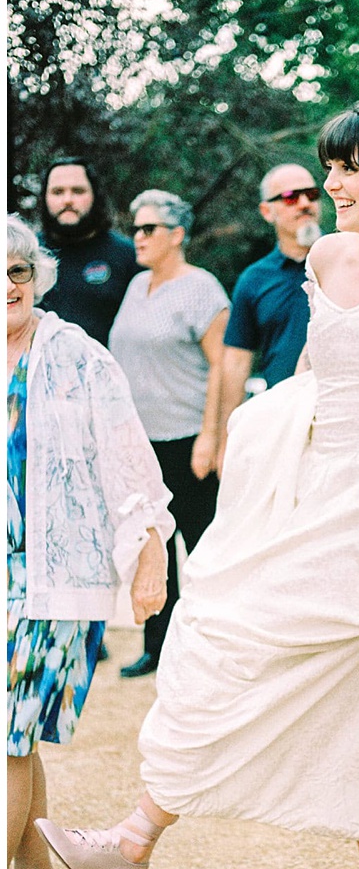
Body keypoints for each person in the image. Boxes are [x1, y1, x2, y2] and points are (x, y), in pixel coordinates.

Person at [37, 98, 359, 869]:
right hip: (309, 484)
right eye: (329, 167)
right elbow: (310, 368)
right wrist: (254, 450)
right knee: (225, 630)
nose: (333, 185)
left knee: (340, 682)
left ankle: (135, 837)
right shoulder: (330, 255)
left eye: (348, 169)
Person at [7, 216, 171, 869]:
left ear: (36, 276)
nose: (6, 284)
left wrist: (149, 555)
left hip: (56, 577)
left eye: (17, 270)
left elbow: (129, 456)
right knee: (12, 733)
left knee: (6, 734)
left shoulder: (75, 353)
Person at [104, 191, 229, 679]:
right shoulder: (137, 287)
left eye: (149, 228)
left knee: (199, 549)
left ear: (177, 235)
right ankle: (157, 646)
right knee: (151, 548)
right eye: (135, 228)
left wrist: (211, 436)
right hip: (141, 445)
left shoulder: (202, 288)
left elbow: (224, 365)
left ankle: (208, 650)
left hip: (188, 439)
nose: (138, 237)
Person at [212, 163, 322, 469]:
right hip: (281, 423)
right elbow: (236, 362)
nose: (304, 204)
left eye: (311, 194)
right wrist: (226, 441)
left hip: (342, 419)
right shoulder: (254, 279)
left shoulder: (352, 257)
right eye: (289, 197)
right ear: (266, 211)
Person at [36, 157, 141, 346]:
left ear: (95, 196)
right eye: (58, 192)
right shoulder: (27, 256)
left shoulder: (129, 256)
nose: (67, 200)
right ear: (44, 198)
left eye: (78, 191)